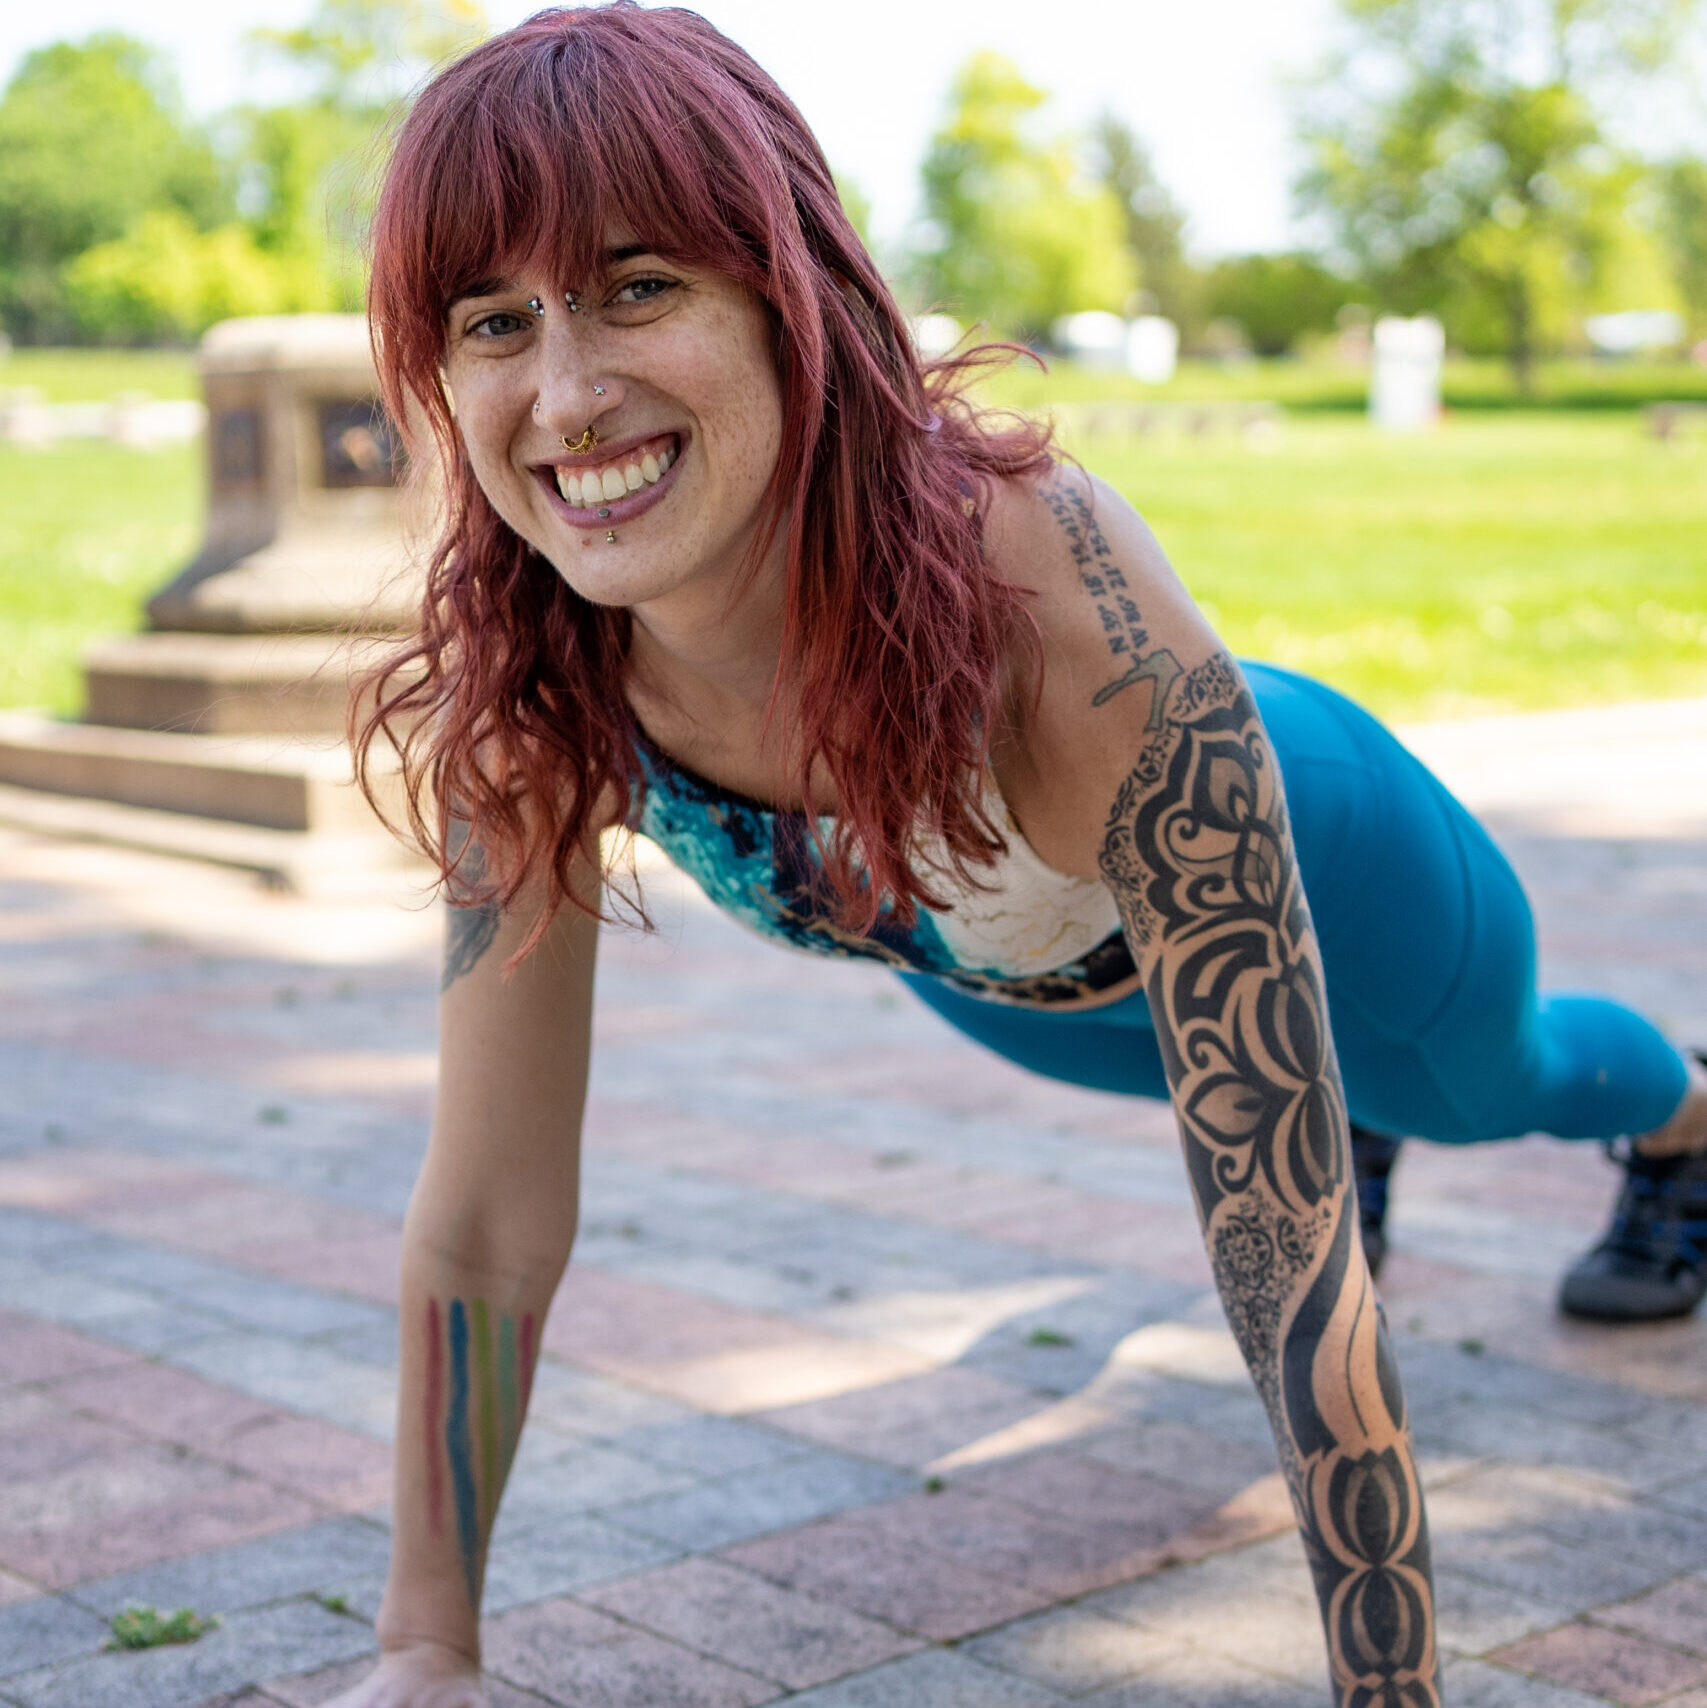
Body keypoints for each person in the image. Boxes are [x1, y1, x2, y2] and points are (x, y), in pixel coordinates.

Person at [333, 7, 1707, 1703]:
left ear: (792, 293)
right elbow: (482, 1224)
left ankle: (1687, 1120)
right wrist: (422, 1654)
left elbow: (1272, 1232)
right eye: (493, 320)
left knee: (1491, 1078)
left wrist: (1392, 1692)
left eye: (636, 285)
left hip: (1342, 865)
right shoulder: (534, 688)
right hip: (1004, 980)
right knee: (1301, 1122)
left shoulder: (1043, 596)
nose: (565, 391)